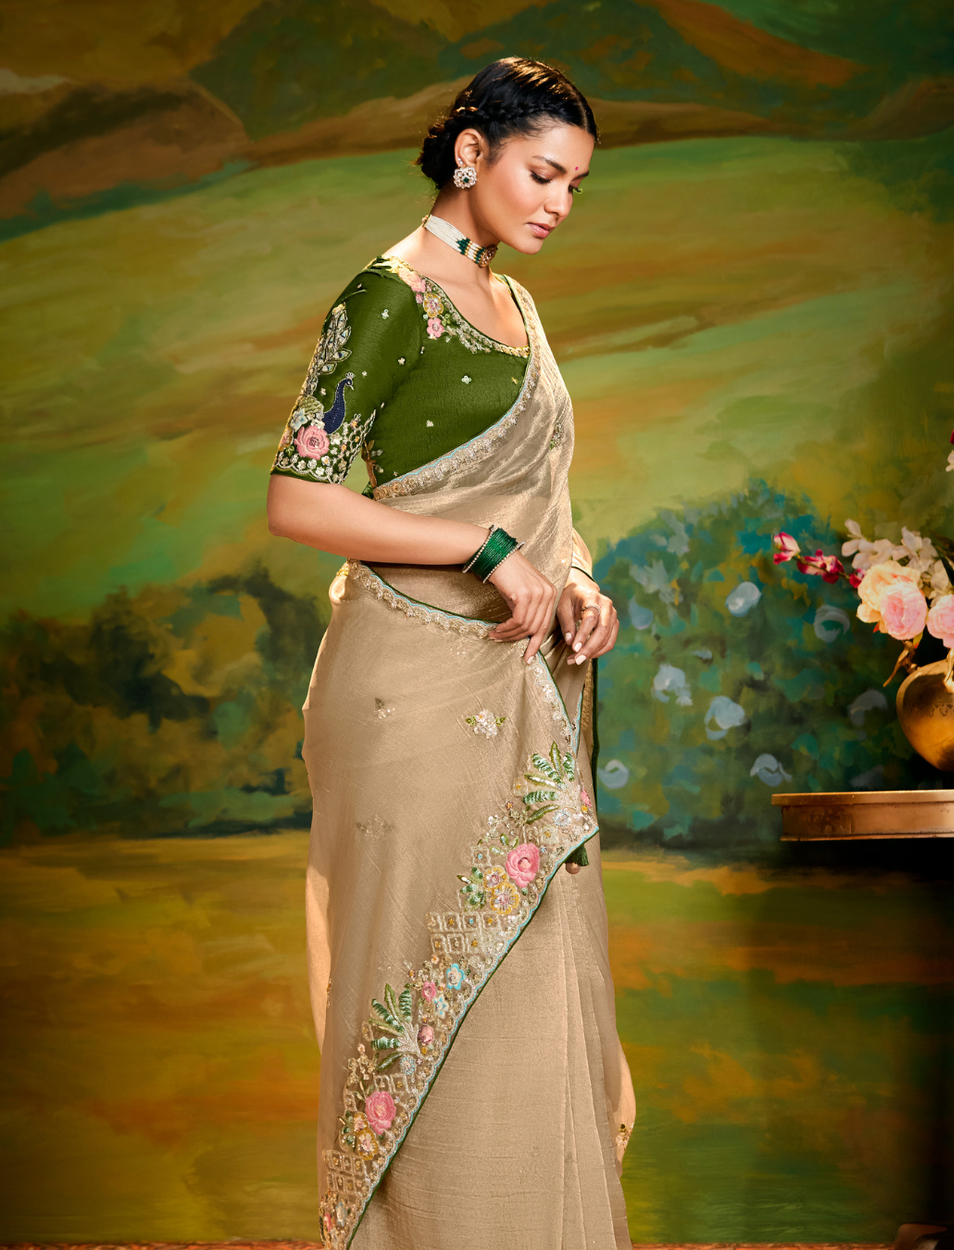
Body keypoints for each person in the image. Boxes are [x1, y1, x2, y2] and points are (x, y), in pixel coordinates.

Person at [267, 56, 635, 1250]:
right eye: (543, 173)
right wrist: (485, 550)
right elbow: (298, 497)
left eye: (574, 185)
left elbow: (540, 510)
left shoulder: (514, 303)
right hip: (409, 694)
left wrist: (573, 579)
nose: (559, 204)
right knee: (423, 993)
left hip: (515, 680)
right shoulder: (390, 296)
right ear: (471, 151)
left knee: (533, 985)